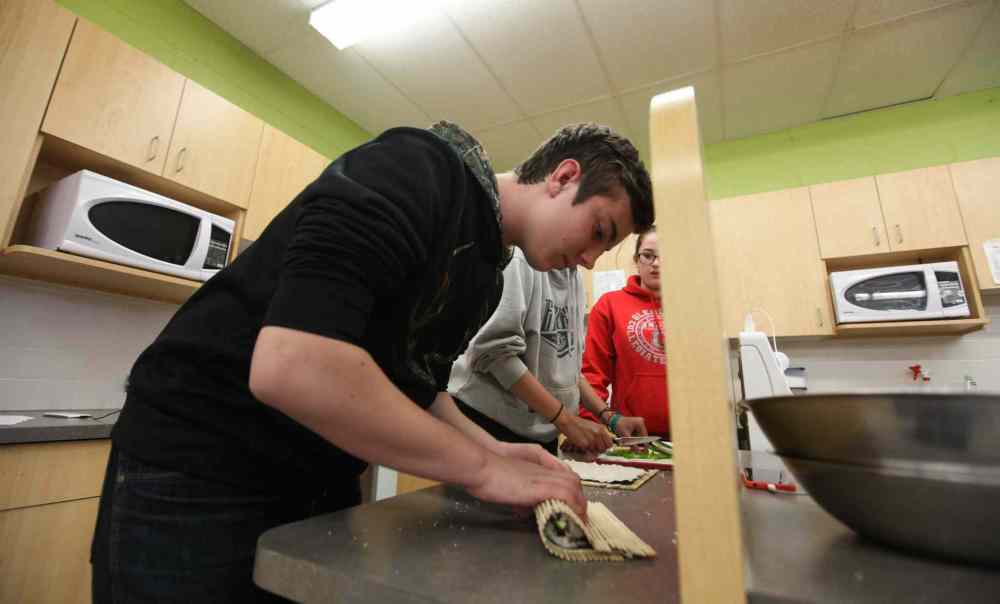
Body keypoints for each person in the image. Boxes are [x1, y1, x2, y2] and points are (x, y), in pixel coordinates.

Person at [91, 121, 654, 603]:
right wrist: (484, 470)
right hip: (200, 468)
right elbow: (295, 363)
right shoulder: (416, 167)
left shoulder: (485, 273)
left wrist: (496, 449)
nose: (588, 259)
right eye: (598, 231)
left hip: (313, 481)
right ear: (563, 177)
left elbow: (416, 388)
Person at [448, 245, 648, 456]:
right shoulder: (519, 261)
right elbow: (496, 354)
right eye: (598, 234)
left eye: (604, 249)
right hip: (487, 424)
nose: (590, 261)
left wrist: (609, 417)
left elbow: (570, 370)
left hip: (542, 429)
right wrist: (567, 421)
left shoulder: (574, 275)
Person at [579, 227, 670, 438]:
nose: (656, 263)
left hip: (690, 435)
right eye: (648, 255)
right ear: (637, 260)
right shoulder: (609, 305)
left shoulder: (692, 308)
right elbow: (593, 372)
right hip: (632, 435)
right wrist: (588, 424)